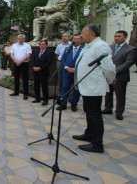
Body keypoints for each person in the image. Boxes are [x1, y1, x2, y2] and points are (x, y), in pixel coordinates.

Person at [73, 24, 115, 153]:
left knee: (94, 114)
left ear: (92, 34)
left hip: (94, 86)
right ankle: (89, 133)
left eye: (84, 33)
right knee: (88, 111)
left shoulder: (100, 46)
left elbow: (108, 67)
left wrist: (108, 80)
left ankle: (97, 144)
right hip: (87, 86)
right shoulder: (89, 45)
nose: (81, 35)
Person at [103, 30, 137, 120]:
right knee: (108, 93)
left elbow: (127, 63)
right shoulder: (110, 47)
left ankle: (119, 112)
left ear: (125, 37)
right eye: (115, 36)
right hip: (109, 75)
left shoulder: (131, 49)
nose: (116, 38)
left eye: (119, 36)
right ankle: (108, 108)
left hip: (120, 76)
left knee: (120, 95)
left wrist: (114, 71)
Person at [58, 34, 83, 111]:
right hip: (67, 72)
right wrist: (66, 67)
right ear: (72, 40)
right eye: (75, 39)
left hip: (77, 73)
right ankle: (63, 104)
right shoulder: (67, 48)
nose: (76, 40)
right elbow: (62, 59)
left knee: (76, 89)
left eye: (78, 39)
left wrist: (76, 69)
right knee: (65, 87)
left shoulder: (84, 49)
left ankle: (74, 104)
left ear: (81, 40)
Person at [31, 40, 53, 106]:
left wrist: (40, 68)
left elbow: (48, 62)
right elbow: (33, 60)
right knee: (36, 85)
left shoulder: (49, 53)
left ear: (46, 45)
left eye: (43, 44)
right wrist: (34, 67)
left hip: (43, 72)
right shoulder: (37, 52)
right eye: (40, 44)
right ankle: (37, 98)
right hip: (35, 71)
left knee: (44, 86)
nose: (42, 46)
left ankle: (45, 100)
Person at [10, 34, 32, 100]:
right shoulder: (14, 45)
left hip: (24, 63)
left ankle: (25, 94)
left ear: (24, 39)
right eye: (20, 39)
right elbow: (11, 54)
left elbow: (28, 55)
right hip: (16, 63)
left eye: (22, 39)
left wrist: (21, 61)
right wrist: (16, 61)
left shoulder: (27, 45)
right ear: (18, 39)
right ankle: (16, 92)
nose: (21, 40)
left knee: (25, 79)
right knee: (16, 78)